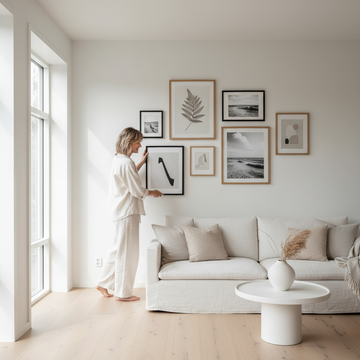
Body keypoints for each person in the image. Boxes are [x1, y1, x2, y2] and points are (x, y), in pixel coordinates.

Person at [96, 127, 163, 301]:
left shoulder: (119, 160)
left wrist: (140, 162)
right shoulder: (125, 163)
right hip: (127, 211)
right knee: (128, 253)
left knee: (117, 248)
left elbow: (129, 175)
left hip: (120, 210)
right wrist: (152, 192)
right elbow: (136, 190)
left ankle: (103, 283)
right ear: (129, 142)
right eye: (138, 142)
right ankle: (123, 293)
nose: (140, 145)